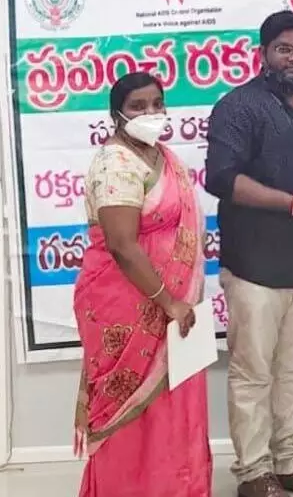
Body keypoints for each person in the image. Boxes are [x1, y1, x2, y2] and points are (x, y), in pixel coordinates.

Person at [205, 10, 293, 497]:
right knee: (252, 371)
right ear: (263, 53)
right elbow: (222, 179)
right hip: (256, 265)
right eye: (284, 49)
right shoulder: (238, 107)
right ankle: (253, 472)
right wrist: (292, 205)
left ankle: (290, 463)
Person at [72, 71, 211, 497]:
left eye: (157, 103)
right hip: (127, 302)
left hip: (174, 302)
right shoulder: (115, 163)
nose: (151, 112)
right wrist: (168, 302)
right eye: (138, 106)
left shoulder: (162, 156)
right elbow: (122, 246)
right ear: (117, 114)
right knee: (134, 413)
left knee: (175, 405)